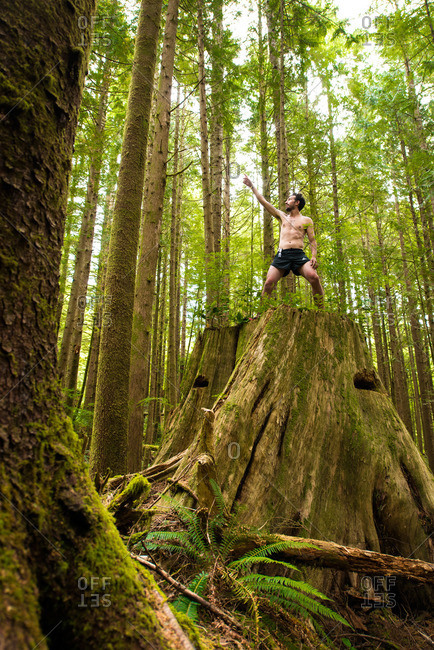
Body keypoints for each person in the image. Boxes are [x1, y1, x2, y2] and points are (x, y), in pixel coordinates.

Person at [243, 175, 324, 308]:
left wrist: (314, 255)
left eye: (289, 199)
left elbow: (312, 240)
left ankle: (322, 312)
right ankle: (261, 314)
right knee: (269, 283)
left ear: (297, 202)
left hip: (299, 255)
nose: (286, 202)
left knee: (314, 277)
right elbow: (264, 202)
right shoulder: (282, 216)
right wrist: (252, 186)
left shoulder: (307, 220)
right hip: (282, 254)